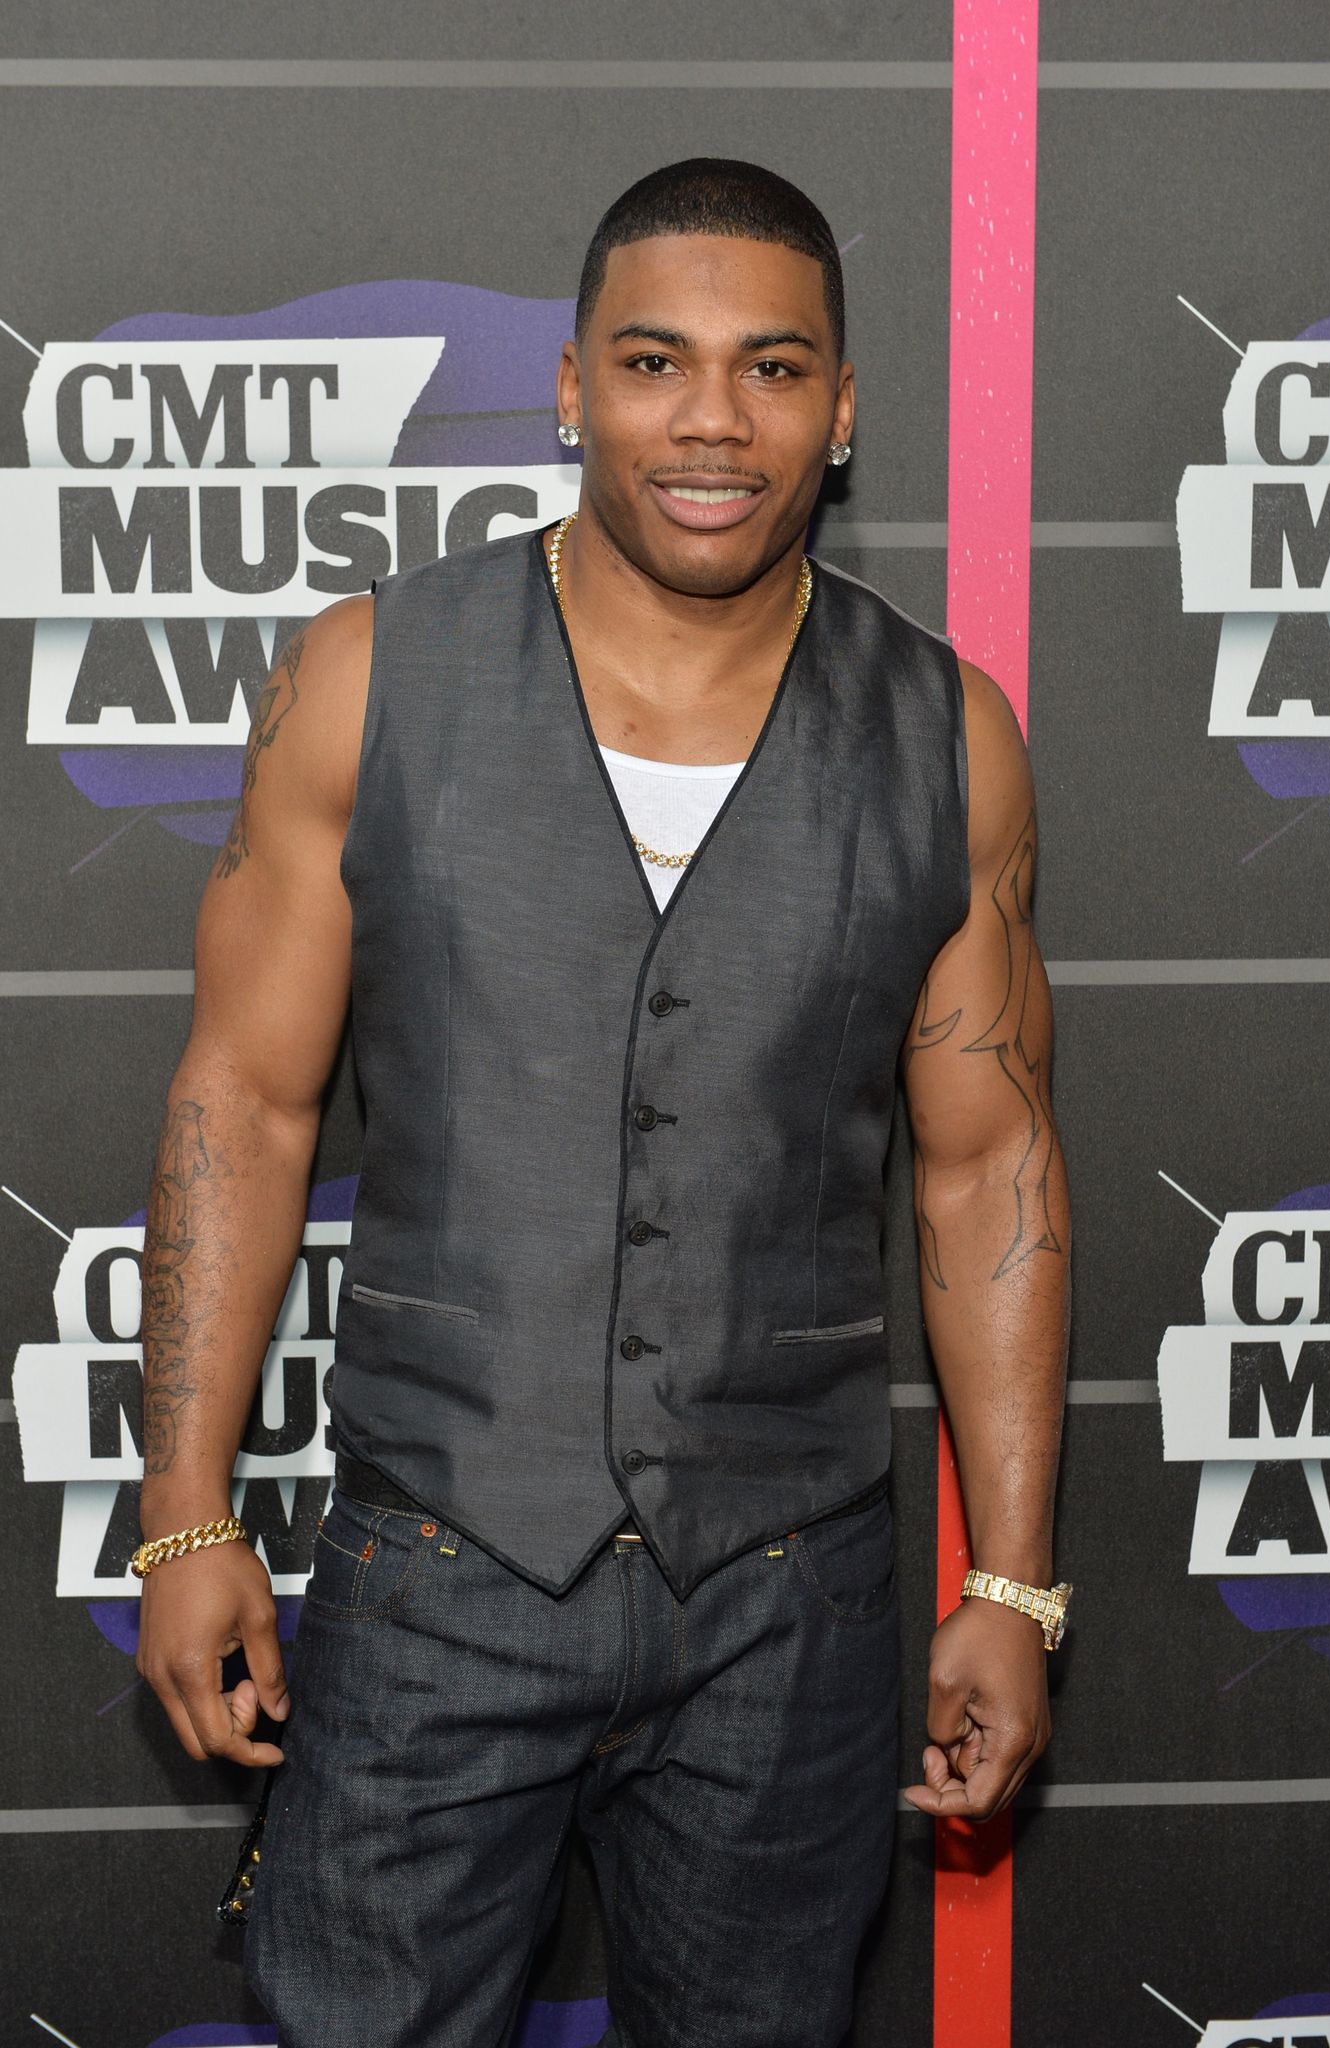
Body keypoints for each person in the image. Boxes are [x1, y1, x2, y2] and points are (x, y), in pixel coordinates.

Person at [134, 157, 1071, 2048]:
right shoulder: (369, 678)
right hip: (433, 1565)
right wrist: (184, 1510)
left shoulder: (944, 739)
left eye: (773, 369)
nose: (711, 421)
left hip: (788, 1607)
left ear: (844, 406)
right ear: (570, 387)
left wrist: (1017, 1586)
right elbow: (244, 1091)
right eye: (655, 363)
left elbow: (986, 1172)